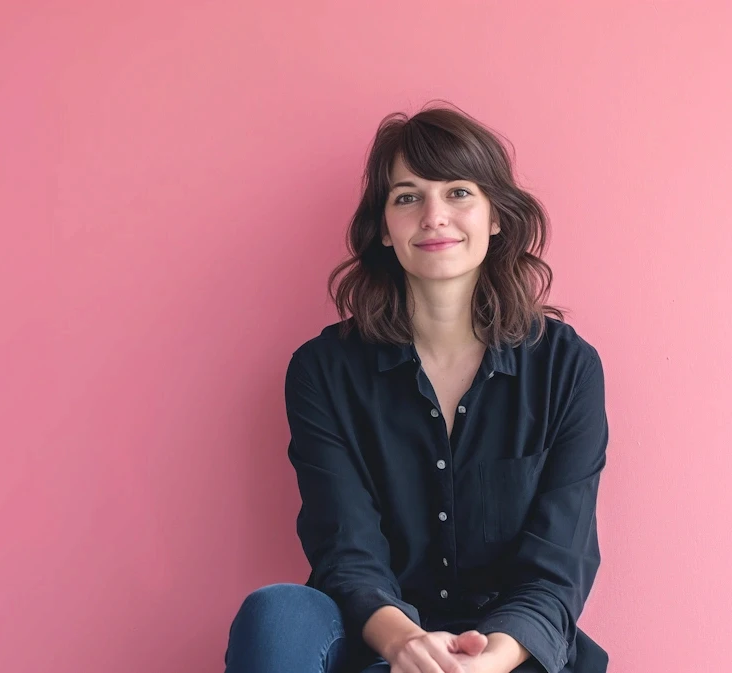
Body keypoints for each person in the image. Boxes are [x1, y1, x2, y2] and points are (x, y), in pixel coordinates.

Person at [223, 102, 610, 673]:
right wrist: (406, 644)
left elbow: (558, 564)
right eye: (408, 197)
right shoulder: (323, 371)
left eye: (458, 192)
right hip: (376, 644)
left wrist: (483, 663)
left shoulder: (565, 368)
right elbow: (345, 550)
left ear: (495, 217)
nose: (434, 216)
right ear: (384, 227)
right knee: (279, 613)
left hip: (508, 656)